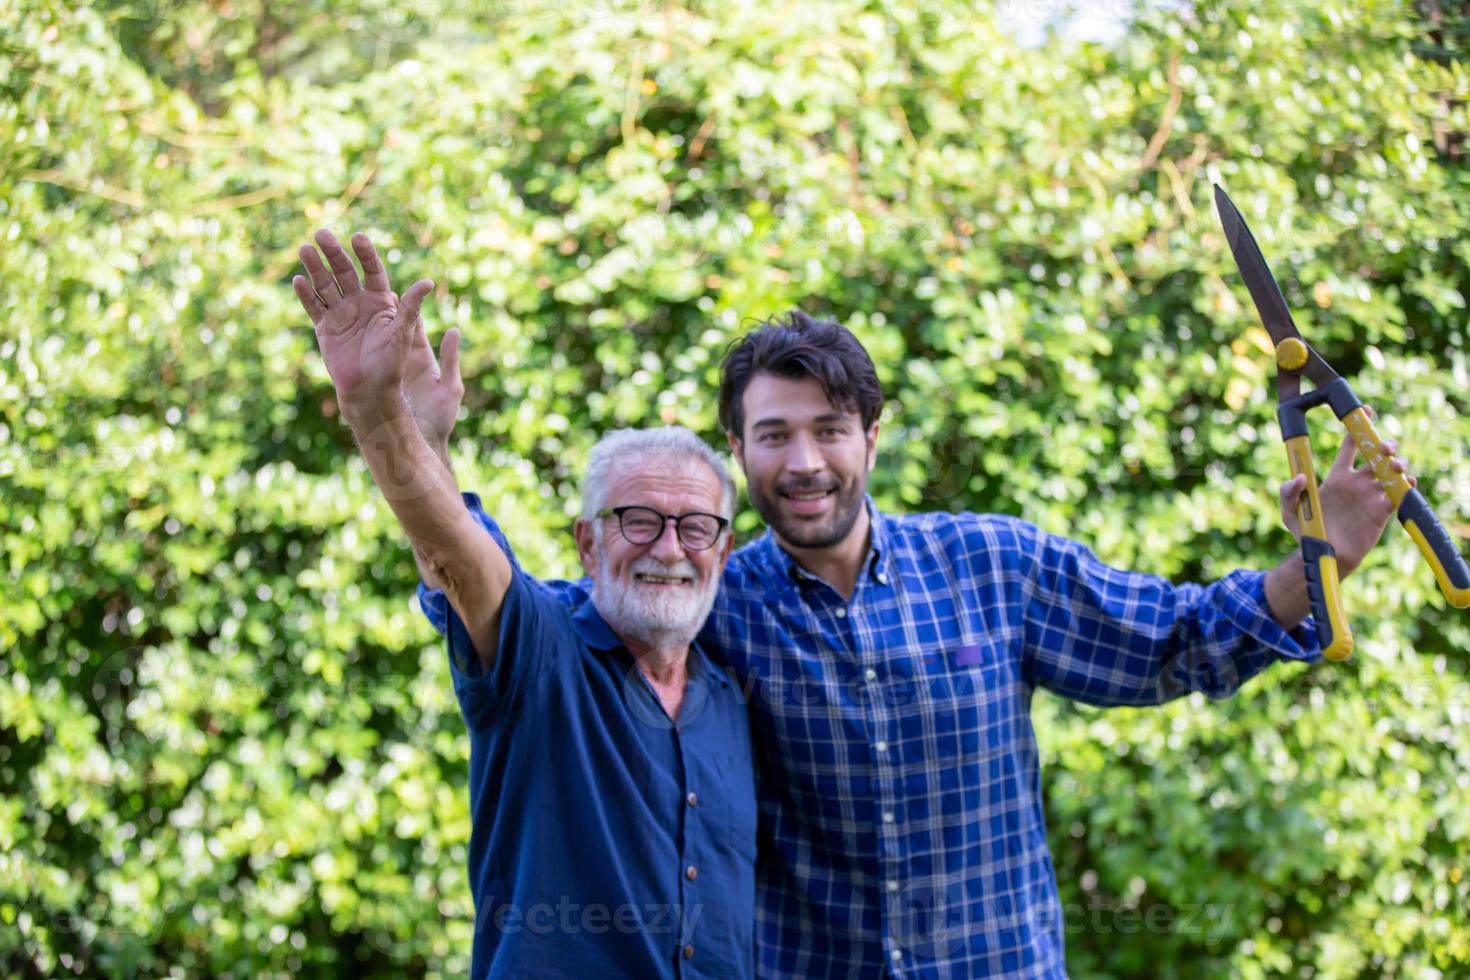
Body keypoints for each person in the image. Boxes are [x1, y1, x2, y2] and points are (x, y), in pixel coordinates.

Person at [401, 291, 1410, 971]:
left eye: (829, 429)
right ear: (741, 452)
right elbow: (502, 594)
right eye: (774, 434)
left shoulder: (995, 563)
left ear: (871, 438)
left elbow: (1175, 639)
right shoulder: (706, 598)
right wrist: (419, 446)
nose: (805, 461)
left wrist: (1327, 556)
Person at [293, 230, 756, 980]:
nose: (669, 548)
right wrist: (380, 417)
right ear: (586, 541)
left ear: (723, 550)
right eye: (637, 520)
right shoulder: (544, 647)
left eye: (695, 525)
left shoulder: (733, 697)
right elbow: (453, 548)